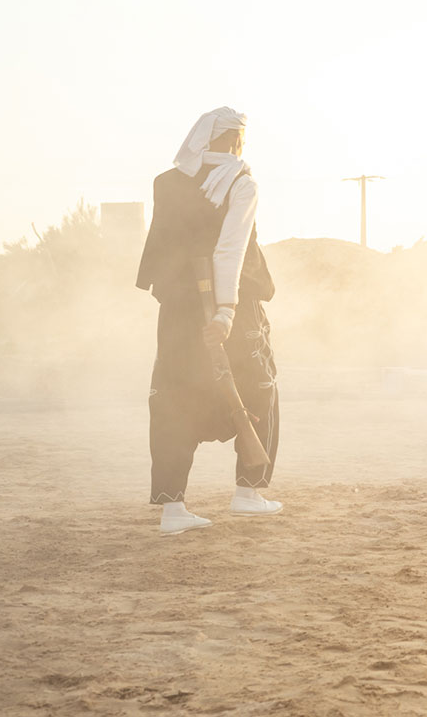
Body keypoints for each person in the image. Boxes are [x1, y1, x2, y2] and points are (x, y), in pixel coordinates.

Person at [136, 107, 283, 535]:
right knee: (260, 390)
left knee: (173, 397)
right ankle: (249, 493)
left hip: (179, 310)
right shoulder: (241, 180)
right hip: (234, 305)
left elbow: (163, 249)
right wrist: (225, 311)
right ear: (237, 140)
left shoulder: (167, 181)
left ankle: (173, 508)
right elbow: (230, 250)